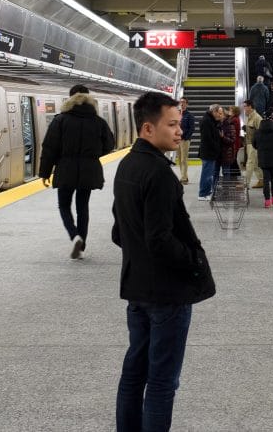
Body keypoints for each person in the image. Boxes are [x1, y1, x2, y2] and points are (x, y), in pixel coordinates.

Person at [111, 92, 216, 430]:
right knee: (161, 382)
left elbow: (119, 231)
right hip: (166, 293)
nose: (180, 130)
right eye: (172, 124)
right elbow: (159, 239)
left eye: (179, 123)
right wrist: (194, 261)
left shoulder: (127, 166)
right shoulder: (158, 174)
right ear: (147, 129)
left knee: (133, 374)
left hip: (136, 289)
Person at [39, 84, 115, 259]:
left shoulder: (60, 120)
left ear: (70, 98)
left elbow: (50, 148)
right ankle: (81, 247)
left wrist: (45, 173)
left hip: (66, 169)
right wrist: (92, 156)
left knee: (64, 205)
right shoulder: (99, 122)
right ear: (89, 99)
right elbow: (110, 145)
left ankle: (75, 236)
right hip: (89, 171)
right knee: (83, 207)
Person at [197, 104, 225, 201]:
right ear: (214, 112)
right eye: (219, 113)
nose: (221, 115)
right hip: (208, 152)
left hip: (209, 151)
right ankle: (203, 194)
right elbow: (207, 138)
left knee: (208, 174)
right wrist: (216, 147)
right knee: (207, 174)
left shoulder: (211, 120)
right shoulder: (206, 121)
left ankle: (206, 192)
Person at [242, 101, 263, 188]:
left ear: (250, 107)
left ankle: (246, 183)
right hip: (249, 143)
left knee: (250, 163)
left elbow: (261, 132)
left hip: (254, 144)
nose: (244, 108)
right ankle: (262, 180)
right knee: (255, 164)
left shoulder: (257, 117)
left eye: (245, 106)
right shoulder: (249, 117)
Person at [177, 97, 195, 184]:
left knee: (184, 159)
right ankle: (184, 176)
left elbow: (192, 128)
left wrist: (185, 137)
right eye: (180, 102)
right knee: (180, 159)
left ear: (187, 104)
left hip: (184, 140)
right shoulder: (177, 115)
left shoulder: (189, 116)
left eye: (183, 102)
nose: (182, 104)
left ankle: (184, 178)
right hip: (177, 140)